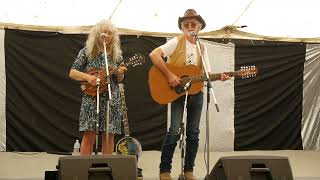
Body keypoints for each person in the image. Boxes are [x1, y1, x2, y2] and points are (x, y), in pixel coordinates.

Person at [149, 9, 229, 180]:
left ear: (199, 27)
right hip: (178, 94)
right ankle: (165, 170)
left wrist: (220, 77)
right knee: (174, 131)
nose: (190, 26)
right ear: (182, 27)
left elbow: (207, 74)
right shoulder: (175, 42)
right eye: (187, 24)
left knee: (193, 133)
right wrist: (170, 75)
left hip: (196, 94)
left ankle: (189, 170)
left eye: (194, 24)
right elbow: (154, 55)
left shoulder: (202, 48)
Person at [69, 19, 127, 155]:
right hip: (91, 98)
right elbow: (72, 72)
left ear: (112, 37)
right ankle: (84, 169)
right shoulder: (87, 52)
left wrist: (120, 74)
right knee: (89, 134)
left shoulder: (116, 55)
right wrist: (88, 77)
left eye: (109, 33)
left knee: (109, 134)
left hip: (111, 98)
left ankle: (107, 168)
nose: (106, 35)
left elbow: (120, 79)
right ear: (97, 34)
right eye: (103, 32)